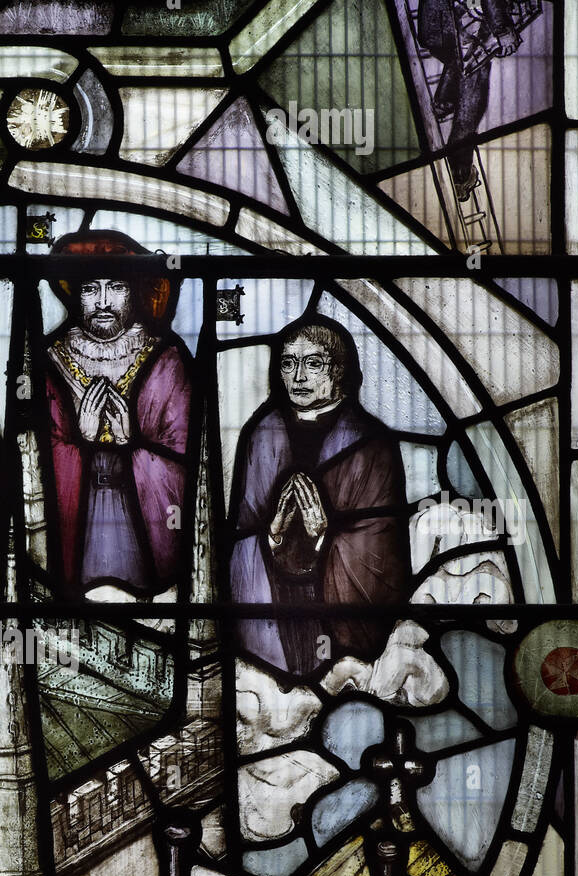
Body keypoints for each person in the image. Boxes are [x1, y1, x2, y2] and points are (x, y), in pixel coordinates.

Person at [227, 316, 411, 678]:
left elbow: (381, 551)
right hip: (275, 606)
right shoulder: (260, 435)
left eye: (313, 363)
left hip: (336, 619)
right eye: (288, 363)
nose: (298, 377)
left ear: (339, 371)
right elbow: (240, 535)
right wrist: (272, 537)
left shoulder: (371, 444)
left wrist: (325, 539)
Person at [44, 230, 194, 600]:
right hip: (76, 524)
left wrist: (133, 444)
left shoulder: (166, 360)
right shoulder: (51, 360)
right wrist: (80, 441)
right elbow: (33, 461)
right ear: (76, 296)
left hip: (141, 522)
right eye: (91, 289)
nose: (104, 301)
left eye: (116, 287)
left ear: (135, 292)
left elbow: (188, 463)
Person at [415, 0, 541, 201]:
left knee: (475, 49)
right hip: (443, 26)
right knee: (476, 87)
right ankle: (459, 171)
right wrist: (502, 29)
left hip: (440, 22)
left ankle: (445, 100)